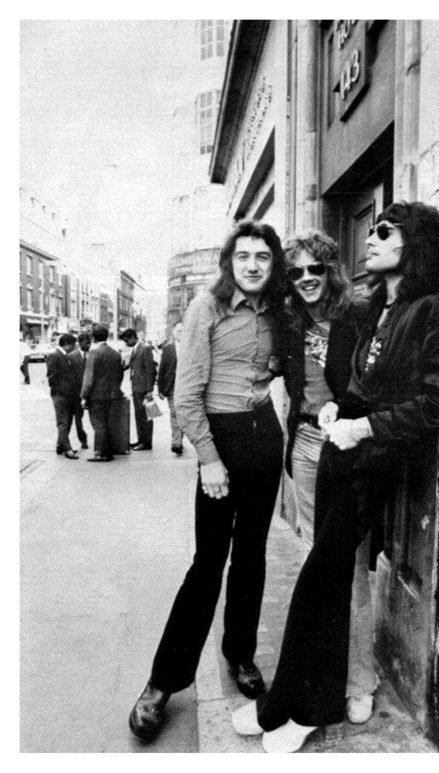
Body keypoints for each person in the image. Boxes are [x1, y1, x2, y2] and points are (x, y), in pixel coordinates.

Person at [231, 201, 439, 753]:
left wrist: (365, 427)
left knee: (327, 578)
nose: (373, 238)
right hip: (337, 451)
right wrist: (341, 410)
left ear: (415, 244)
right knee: (320, 577)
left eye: (386, 232)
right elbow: (358, 380)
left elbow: (437, 402)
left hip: (371, 461)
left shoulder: (435, 309)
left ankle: (308, 707)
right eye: (373, 229)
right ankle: (285, 703)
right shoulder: (382, 304)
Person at [129, 220, 290, 742]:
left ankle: (239, 654)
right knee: (207, 564)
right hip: (220, 441)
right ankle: (162, 682)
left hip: (264, 434)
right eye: (242, 256)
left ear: (273, 264)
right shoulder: (207, 307)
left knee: (252, 556)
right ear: (229, 262)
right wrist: (208, 460)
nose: (251, 265)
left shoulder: (278, 310)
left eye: (262, 257)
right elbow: (186, 395)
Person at [278, 230, 376, 724]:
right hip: (303, 447)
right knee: (317, 564)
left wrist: (350, 414)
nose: (306, 279)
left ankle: (360, 680)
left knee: (351, 565)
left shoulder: (356, 315)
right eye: (295, 272)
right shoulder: (289, 320)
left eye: (315, 269)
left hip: (347, 446)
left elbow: (373, 381)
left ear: (330, 269)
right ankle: (323, 675)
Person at [80, 324, 125, 462]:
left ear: (93, 337)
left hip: (97, 396)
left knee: (99, 424)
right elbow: (120, 375)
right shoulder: (116, 353)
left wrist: (84, 396)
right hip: (113, 394)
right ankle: (109, 451)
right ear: (107, 336)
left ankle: (100, 453)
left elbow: (89, 377)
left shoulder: (94, 353)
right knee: (109, 424)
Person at [119, 328, 157, 451]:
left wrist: (149, 390)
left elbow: (150, 370)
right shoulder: (136, 348)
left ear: (132, 337)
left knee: (145, 415)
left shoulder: (145, 348)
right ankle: (141, 440)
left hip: (143, 389)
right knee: (139, 415)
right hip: (137, 387)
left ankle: (145, 442)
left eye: (126, 340)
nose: (126, 343)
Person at [45, 333, 80, 459]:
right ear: (66, 344)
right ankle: (67, 449)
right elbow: (52, 377)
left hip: (68, 395)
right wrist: (61, 392)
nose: (75, 347)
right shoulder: (54, 355)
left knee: (67, 421)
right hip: (60, 395)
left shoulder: (66, 355)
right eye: (73, 345)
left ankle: (60, 446)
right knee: (63, 422)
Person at [157, 322, 184, 455]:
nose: (181, 333)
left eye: (183, 331)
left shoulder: (191, 347)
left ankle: (180, 439)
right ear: (174, 332)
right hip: (172, 385)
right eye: (178, 331)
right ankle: (176, 442)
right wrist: (160, 389)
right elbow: (162, 369)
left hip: (186, 385)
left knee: (182, 413)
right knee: (174, 412)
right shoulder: (168, 348)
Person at [69, 333, 91, 450]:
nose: (88, 345)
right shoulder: (72, 356)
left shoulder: (93, 354)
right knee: (78, 418)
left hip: (91, 392)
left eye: (89, 343)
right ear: (80, 343)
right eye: (86, 343)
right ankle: (83, 439)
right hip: (77, 393)